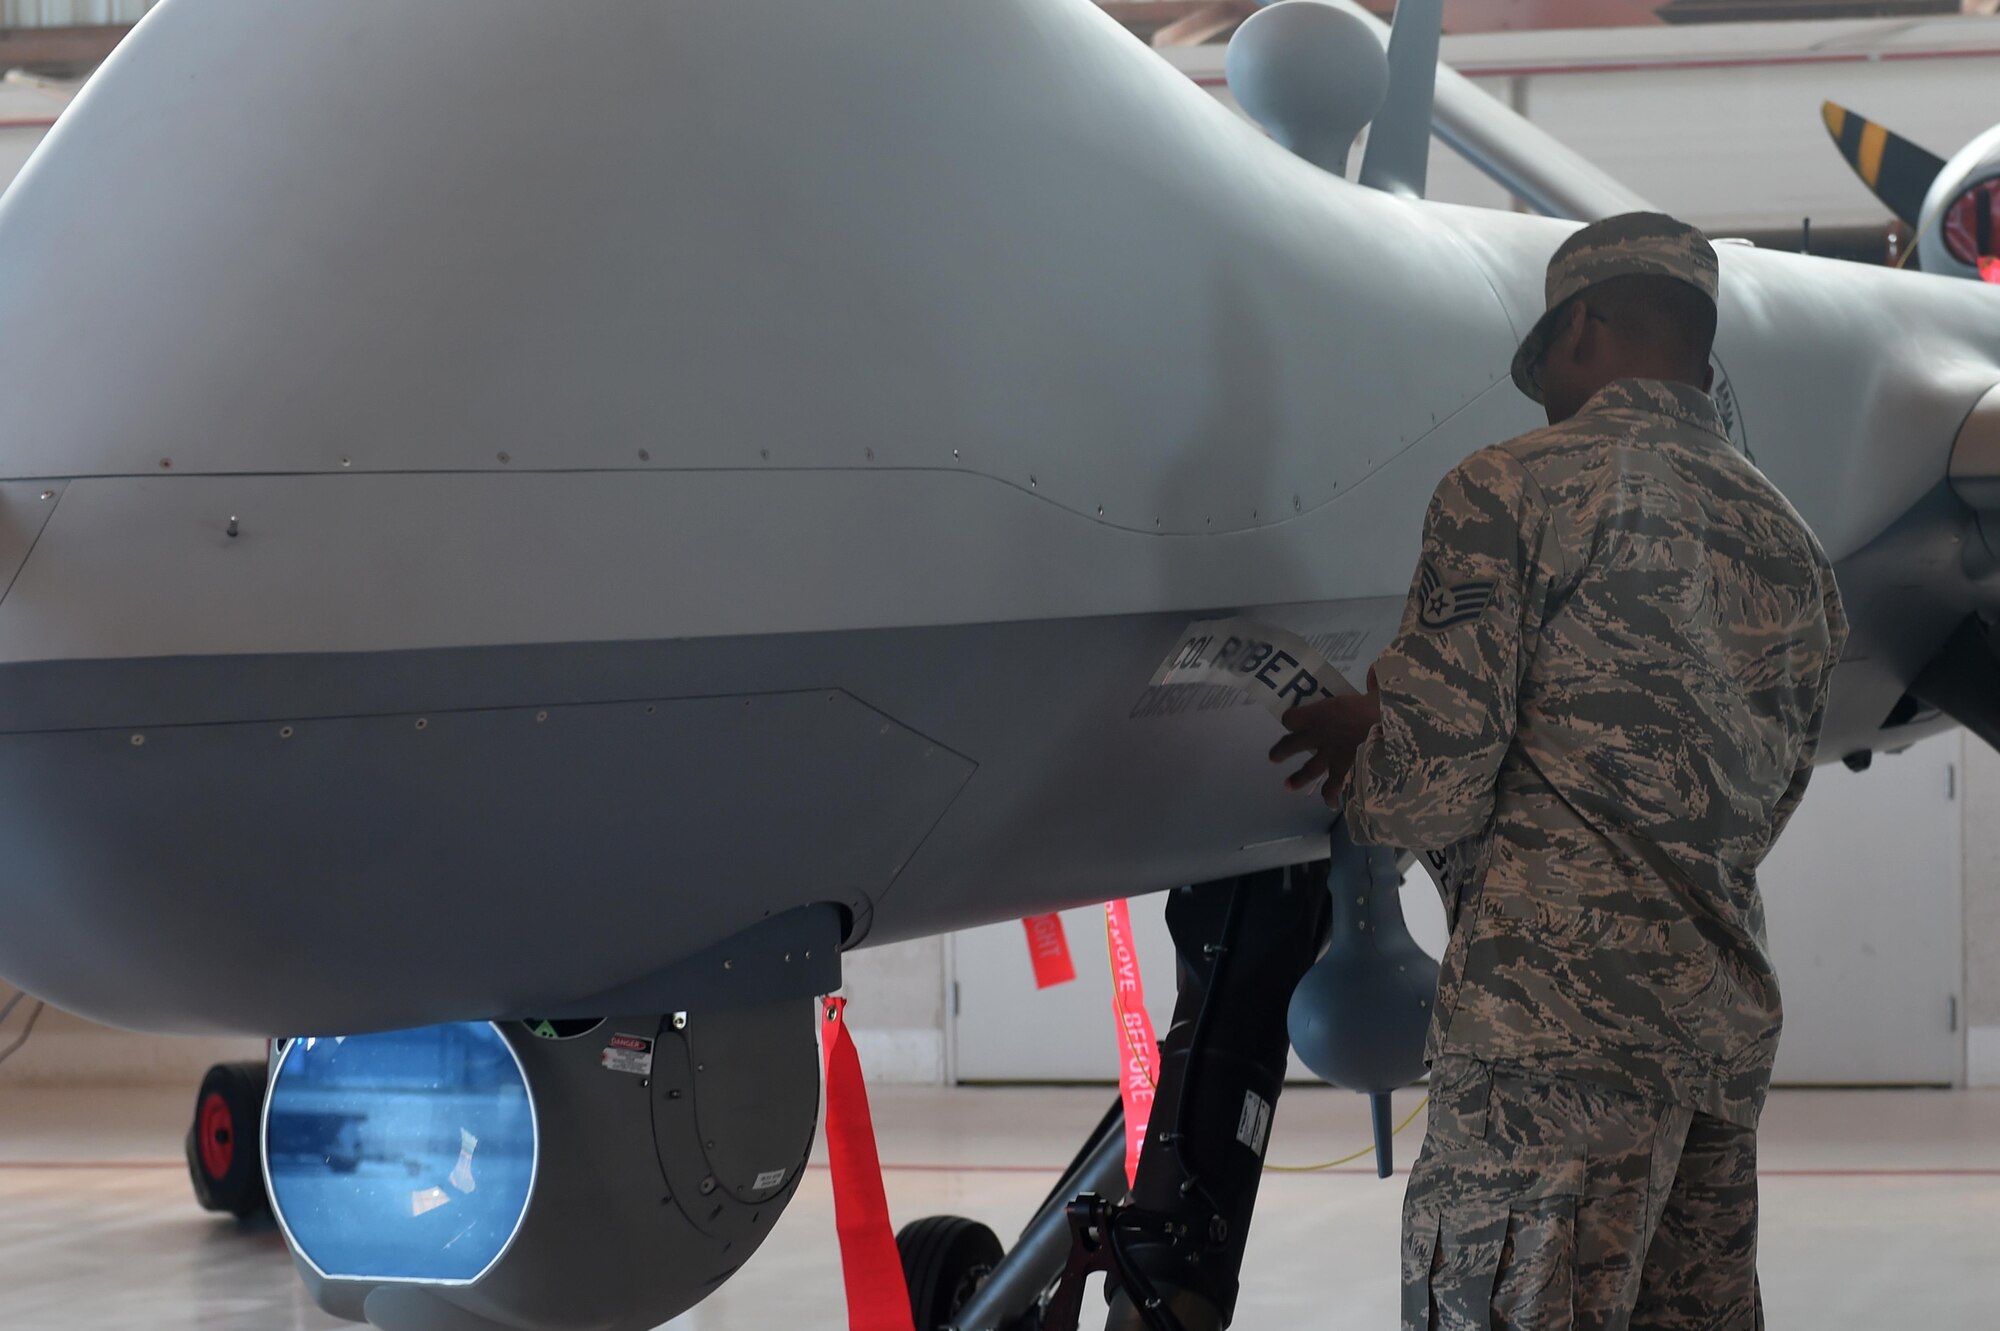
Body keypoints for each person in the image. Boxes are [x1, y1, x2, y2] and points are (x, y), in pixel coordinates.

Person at [1270, 213, 1847, 1330]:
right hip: (1712, 1031)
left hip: (1548, 1046)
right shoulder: (1785, 538)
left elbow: (1431, 782)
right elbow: (1767, 787)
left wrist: (1368, 752)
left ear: (1577, 325)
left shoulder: (1506, 489)